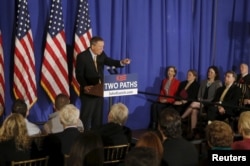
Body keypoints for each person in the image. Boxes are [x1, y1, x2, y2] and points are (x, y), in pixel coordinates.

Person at [76, 36, 131, 130]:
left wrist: (121, 62)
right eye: (100, 47)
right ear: (92, 46)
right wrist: (85, 86)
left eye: (103, 47)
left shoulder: (101, 55)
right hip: (88, 92)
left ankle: (96, 138)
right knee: (86, 117)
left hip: (99, 91)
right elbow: (79, 74)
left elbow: (109, 61)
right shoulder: (82, 56)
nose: (102, 49)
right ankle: (84, 139)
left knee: (97, 119)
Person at [181, 66, 222, 138]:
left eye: (211, 72)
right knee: (194, 110)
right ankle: (193, 131)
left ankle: (181, 118)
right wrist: (200, 100)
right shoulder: (203, 82)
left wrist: (203, 101)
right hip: (200, 103)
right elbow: (199, 94)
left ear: (215, 74)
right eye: (209, 71)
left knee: (193, 103)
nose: (209, 73)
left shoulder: (218, 83)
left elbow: (215, 97)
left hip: (209, 104)